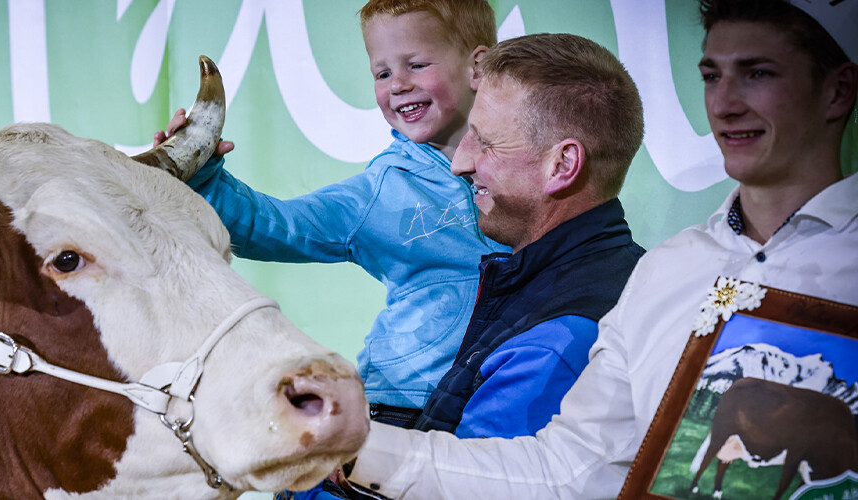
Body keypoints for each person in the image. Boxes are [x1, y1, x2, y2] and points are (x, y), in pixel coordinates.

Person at [341, 0, 858, 498]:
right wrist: (344, 445)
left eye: (758, 73)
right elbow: (567, 470)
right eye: (711, 76)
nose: (724, 104)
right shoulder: (666, 269)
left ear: (837, 90)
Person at [158, 0, 509, 428]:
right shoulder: (383, 190)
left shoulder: (529, 162)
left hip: (503, 399)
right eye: (382, 73)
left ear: (479, 65)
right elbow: (278, 227)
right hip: (404, 408)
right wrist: (206, 180)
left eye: (416, 65)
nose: (397, 85)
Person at [411, 32, 645, 440]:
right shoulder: (586, 282)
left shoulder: (558, 341)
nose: (460, 163)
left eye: (485, 142)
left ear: (562, 165)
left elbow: (464, 484)